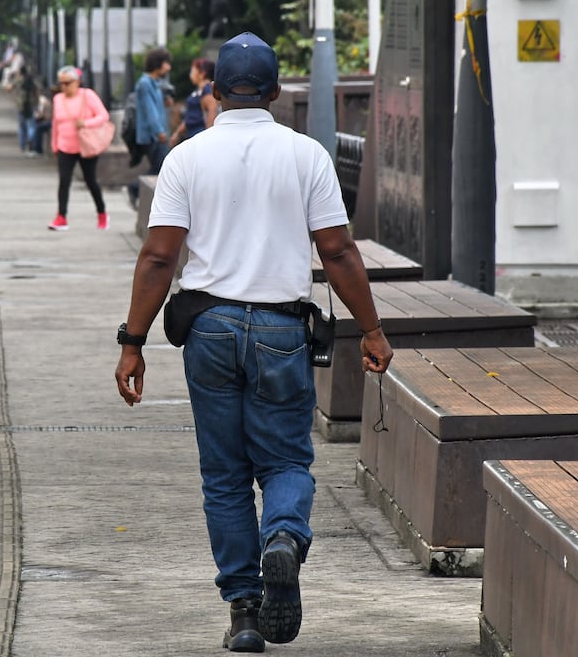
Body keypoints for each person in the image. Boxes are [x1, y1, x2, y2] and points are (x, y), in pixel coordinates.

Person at [113, 32, 392, 652]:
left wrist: (133, 343)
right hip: (281, 330)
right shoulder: (306, 155)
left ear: (214, 91)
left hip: (208, 328)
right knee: (286, 462)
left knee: (225, 475)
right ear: (274, 92)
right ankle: (283, 537)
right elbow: (338, 250)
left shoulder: (187, 158)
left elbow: (158, 258)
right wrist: (371, 329)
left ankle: (244, 613)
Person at [47, 66, 110, 231]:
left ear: (77, 82)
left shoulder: (87, 95)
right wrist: (54, 144)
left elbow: (104, 115)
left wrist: (86, 123)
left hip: (86, 145)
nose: (64, 87)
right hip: (65, 145)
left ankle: (102, 213)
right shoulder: (58, 99)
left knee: (91, 181)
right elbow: (55, 123)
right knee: (64, 181)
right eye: (61, 83)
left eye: (67, 83)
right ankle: (61, 216)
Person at [135, 47, 173, 175]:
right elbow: (150, 110)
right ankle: (135, 186)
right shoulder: (145, 84)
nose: (168, 68)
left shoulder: (155, 83)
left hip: (157, 134)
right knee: (160, 169)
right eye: (166, 63)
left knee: (159, 169)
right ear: (157, 63)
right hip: (153, 136)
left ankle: (136, 186)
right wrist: (159, 132)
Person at [171, 58, 216, 146]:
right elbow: (190, 116)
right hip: (192, 135)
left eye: (193, 71)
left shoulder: (207, 91)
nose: (190, 74)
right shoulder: (198, 91)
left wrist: (208, 138)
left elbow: (212, 111)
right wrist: (177, 133)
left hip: (200, 135)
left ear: (202, 73)